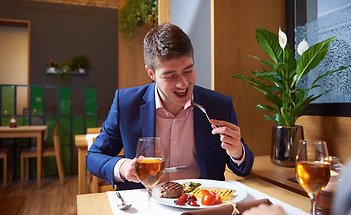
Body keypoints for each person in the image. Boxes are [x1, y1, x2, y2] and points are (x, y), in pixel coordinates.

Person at [86, 23, 254, 190]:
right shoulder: (126, 103)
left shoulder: (219, 105)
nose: (183, 84)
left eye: (188, 71)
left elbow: (243, 168)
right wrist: (122, 167)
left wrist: (237, 151)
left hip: (203, 205)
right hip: (145, 204)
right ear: (151, 74)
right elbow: (94, 157)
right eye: (170, 75)